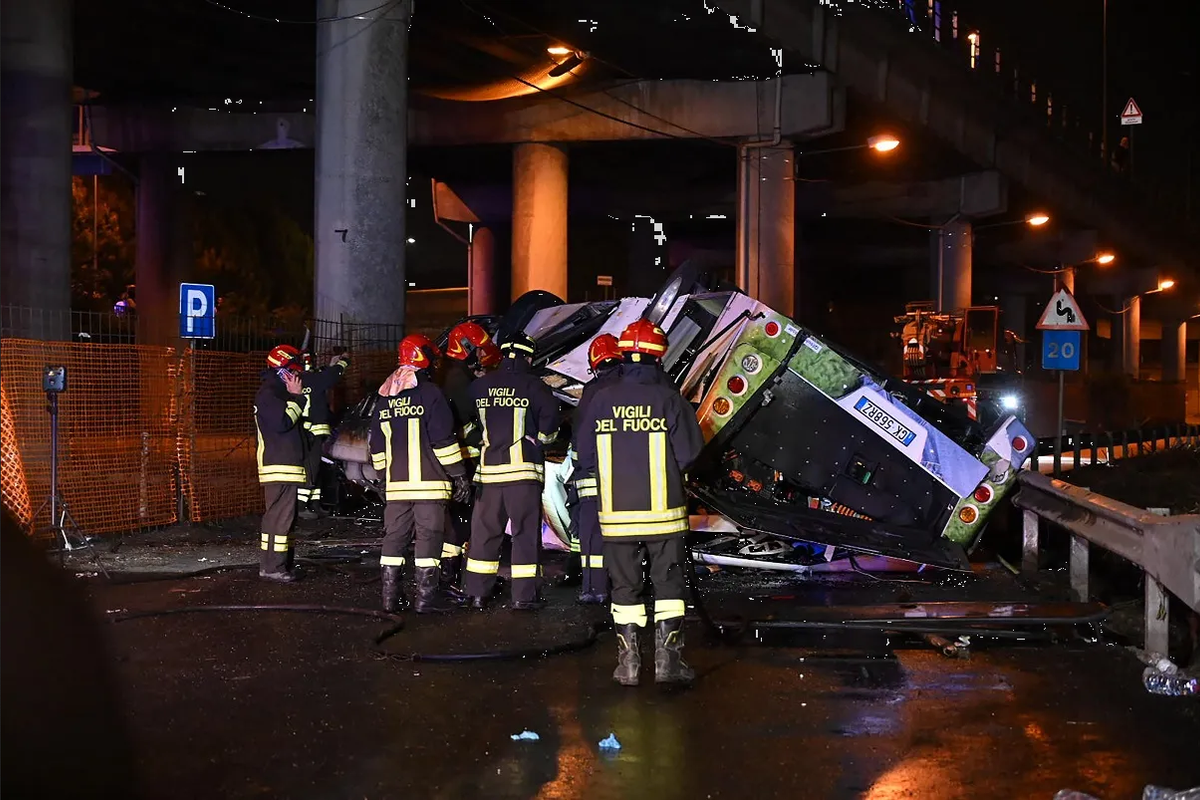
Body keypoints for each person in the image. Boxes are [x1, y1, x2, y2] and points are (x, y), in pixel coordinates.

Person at [575, 319, 705, 686]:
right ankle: (668, 664)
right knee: (668, 586)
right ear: (657, 358)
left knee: (624, 587)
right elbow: (691, 452)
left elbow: (584, 455)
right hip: (664, 513)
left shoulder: (600, 399)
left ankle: (628, 665)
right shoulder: (669, 399)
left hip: (616, 516)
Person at [368, 335, 472, 613]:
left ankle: (390, 599)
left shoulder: (384, 398)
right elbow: (443, 441)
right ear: (424, 358)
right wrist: (459, 475)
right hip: (429, 486)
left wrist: (381, 477)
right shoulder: (431, 394)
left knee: (394, 539)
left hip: (396, 487)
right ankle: (425, 601)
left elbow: (376, 445)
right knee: (429, 538)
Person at [463, 331, 561, 611]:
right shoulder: (535, 387)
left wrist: (480, 439)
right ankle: (523, 596)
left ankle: (478, 594)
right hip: (523, 476)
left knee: (484, 534)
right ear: (528, 357)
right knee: (525, 535)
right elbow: (550, 428)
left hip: (488, 476)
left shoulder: (480, 386)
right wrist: (539, 441)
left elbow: (463, 423)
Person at [437, 321, 501, 595]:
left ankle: (450, 576)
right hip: (462, 462)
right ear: (466, 349)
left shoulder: (452, 373)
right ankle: (453, 578)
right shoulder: (459, 380)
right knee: (464, 522)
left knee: (458, 522)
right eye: (478, 350)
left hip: (455, 462)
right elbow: (471, 420)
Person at [569, 333, 624, 604]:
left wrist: (581, 464)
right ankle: (625, 586)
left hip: (594, 477)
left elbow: (581, 436)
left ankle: (594, 588)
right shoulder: (632, 386)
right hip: (628, 477)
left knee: (592, 535)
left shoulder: (592, 392)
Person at [255, 344, 308, 582]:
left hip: (283, 464)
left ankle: (273, 565)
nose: (297, 376)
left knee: (278, 518)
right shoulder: (270, 394)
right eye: (294, 371)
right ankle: (274, 568)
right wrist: (298, 398)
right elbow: (283, 422)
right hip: (281, 465)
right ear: (283, 370)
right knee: (281, 518)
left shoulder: (274, 392)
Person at [297, 348, 350, 519]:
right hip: (313, 433)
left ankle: (314, 504)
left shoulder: (300, 380)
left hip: (305, 432)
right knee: (311, 469)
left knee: (316, 469)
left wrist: (330, 365)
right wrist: (343, 361)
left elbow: (324, 375)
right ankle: (302, 507)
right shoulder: (314, 379)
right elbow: (333, 375)